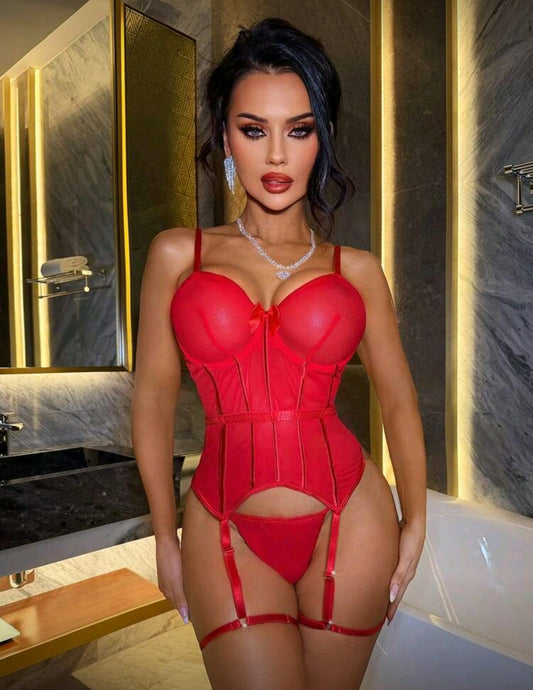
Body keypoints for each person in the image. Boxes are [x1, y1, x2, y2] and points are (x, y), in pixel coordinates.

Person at [132, 17, 427, 690]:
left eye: (298, 130)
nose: (275, 156)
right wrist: (163, 537)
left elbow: (400, 400)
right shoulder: (178, 254)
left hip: (350, 519)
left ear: (321, 138)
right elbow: (151, 401)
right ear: (224, 135)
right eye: (252, 129)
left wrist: (415, 522)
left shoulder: (356, 269)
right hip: (223, 522)